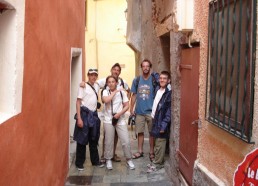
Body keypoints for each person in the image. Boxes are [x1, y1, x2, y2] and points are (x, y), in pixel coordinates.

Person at [80, 63, 130, 163]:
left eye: (118, 70)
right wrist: (84, 84)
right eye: (114, 69)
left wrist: (125, 101)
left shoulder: (122, 82)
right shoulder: (104, 80)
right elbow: (94, 83)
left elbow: (129, 90)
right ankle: (104, 155)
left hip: (119, 114)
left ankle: (113, 154)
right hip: (108, 114)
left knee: (116, 136)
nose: (116, 71)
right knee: (108, 136)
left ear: (120, 72)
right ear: (111, 70)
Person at [73, 68, 104, 171]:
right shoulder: (83, 86)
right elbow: (78, 102)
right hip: (84, 115)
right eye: (91, 75)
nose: (93, 77)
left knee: (93, 139)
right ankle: (79, 163)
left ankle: (95, 161)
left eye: (95, 75)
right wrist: (79, 118)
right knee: (82, 140)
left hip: (94, 116)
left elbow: (110, 79)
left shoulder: (97, 85)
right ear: (88, 75)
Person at [102, 75, 135, 170]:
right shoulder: (105, 91)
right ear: (107, 84)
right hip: (108, 120)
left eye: (113, 81)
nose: (111, 83)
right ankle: (108, 159)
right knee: (109, 141)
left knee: (125, 140)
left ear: (116, 83)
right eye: (109, 82)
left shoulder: (122, 93)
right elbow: (106, 100)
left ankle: (129, 159)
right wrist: (115, 91)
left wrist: (119, 114)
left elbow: (126, 105)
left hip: (120, 119)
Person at [130, 59, 156, 161]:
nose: (145, 68)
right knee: (140, 132)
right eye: (144, 66)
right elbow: (134, 95)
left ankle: (152, 152)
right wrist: (131, 108)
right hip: (139, 112)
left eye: (147, 66)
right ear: (141, 68)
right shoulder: (136, 80)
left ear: (150, 67)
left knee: (151, 133)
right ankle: (140, 151)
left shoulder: (153, 80)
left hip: (151, 112)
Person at [147, 71, 171, 173]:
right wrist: (154, 74)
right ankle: (157, 160)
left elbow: (169, 112)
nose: (161, 80)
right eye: (161, 78)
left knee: (160, 142)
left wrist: (163, 125)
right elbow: (155, 75)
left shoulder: (168, 93)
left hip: (161, 121)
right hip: (155, 118)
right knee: (156, 141)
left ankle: (158, 164)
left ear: (169, 81)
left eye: (164, 78)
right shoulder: (158, 88)